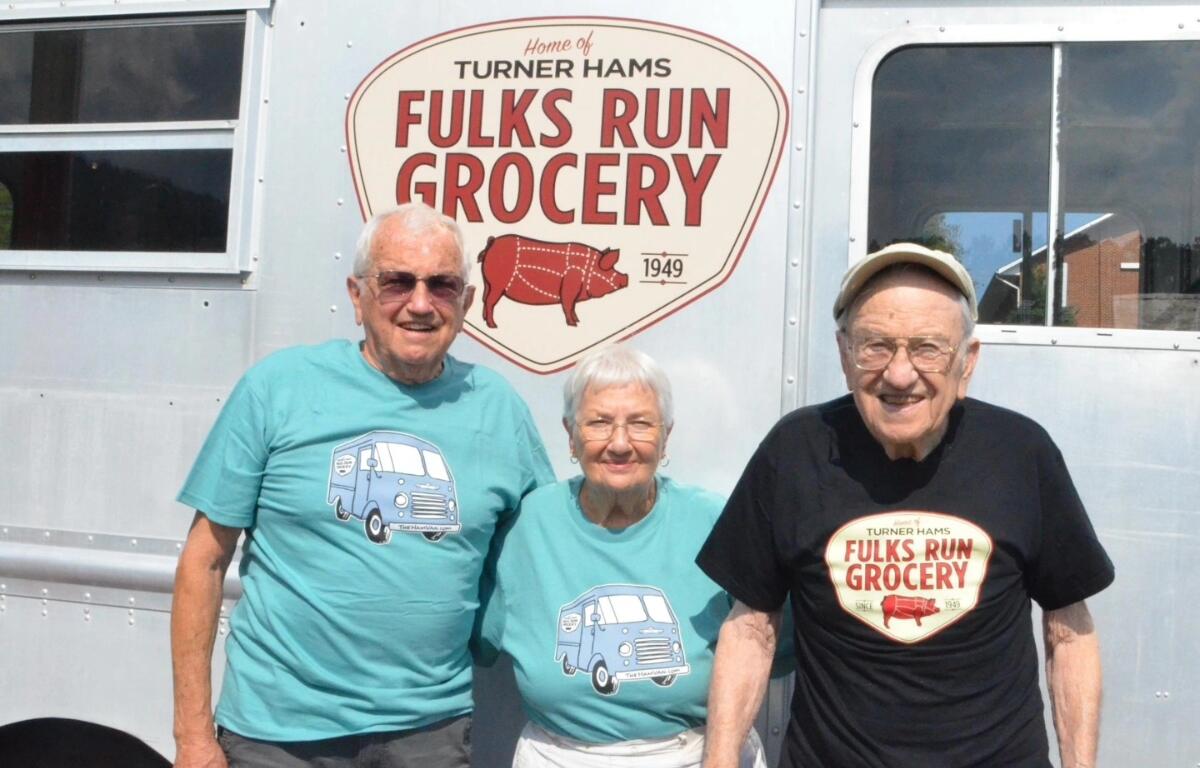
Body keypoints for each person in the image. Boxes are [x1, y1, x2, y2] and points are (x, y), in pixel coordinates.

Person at [697, 242, 1115, 768]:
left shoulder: (1022, 453)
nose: (899, 374)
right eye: (875, 346)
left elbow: (1068, 629)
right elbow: (751, 627)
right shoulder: (794, 450)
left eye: (928, 348)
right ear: (844, 355)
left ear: (968, 363)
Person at [171, 202, 553, 768]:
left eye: (442, 285)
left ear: (467, 303)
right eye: (397, 282)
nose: (420, 304)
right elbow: (203, 561)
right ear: (357, 296)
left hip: (431, 730)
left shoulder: (498, 409)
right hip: (277, 735)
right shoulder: (278, 389)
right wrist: (194, 737)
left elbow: (545, 550)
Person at [474, 345, 773, 768]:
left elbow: (768, 643)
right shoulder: (526, 527)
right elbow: (478, 638)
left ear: (666, 435)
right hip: (560, 757)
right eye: (599, 423)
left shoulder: (714, 521)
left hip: (698, 755)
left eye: (640, 424)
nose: (619, 444)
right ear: (570, 435)